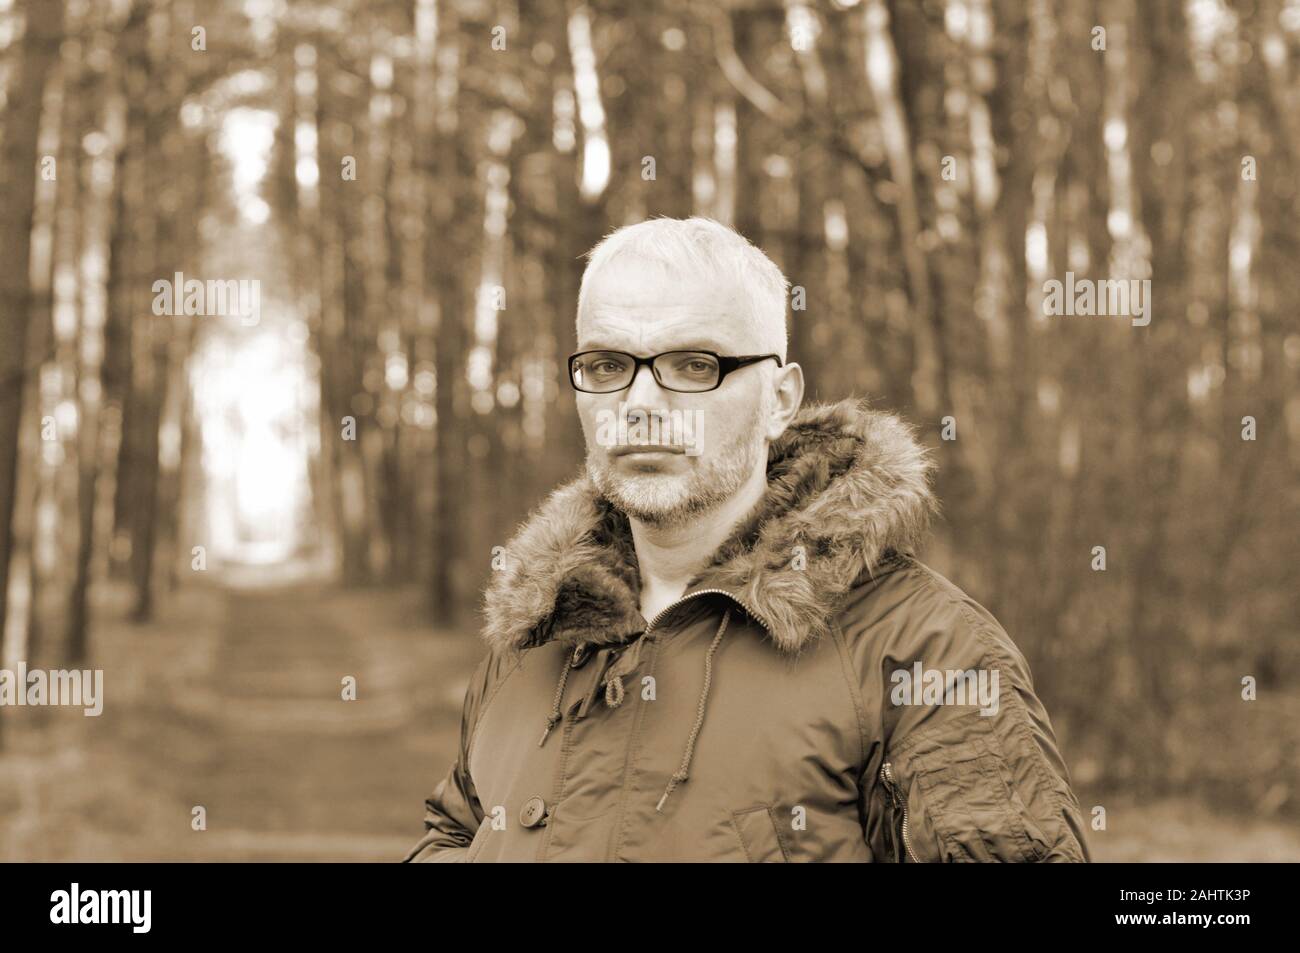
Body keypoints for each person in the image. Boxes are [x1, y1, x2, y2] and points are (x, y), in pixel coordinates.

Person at [403, 216, 1090, 862]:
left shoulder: (922, 649)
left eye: (694, 364)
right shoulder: (540, 628)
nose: (640, 404)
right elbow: (455, 832)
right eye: (610, 365)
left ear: (780, 399)